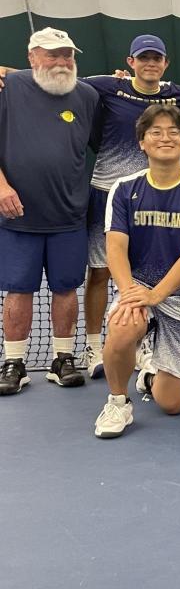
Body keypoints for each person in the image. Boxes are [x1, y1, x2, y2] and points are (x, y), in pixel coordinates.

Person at [93, 104, 180, 438]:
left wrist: (158, 294)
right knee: (123, 325)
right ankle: (118, 403)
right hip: (137, 286)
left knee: (172, 403)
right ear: (142, 142)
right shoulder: (123, 188)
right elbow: (116, 247)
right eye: (156, 132)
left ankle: (149, 371)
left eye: (174, 132)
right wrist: (129, 294)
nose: (165, 138)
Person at [80, 35, 180, 378]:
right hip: (105, 194)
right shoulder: (107, 86)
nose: (150, 64)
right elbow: (57, 76)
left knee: (146, 271)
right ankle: (93, 346)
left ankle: (143, 344)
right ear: (131, 63)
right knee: (99, 271)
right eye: (143, 58)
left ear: (165, 64)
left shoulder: (178, 95)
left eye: (156, 58)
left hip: (153, 198)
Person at [0, 27, 100, 395]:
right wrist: (1, 186)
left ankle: (63, 358)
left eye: (67, 55)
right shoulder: (9, 88)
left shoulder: (87, 95)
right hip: (17, 216)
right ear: (31, 58)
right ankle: (14, 363)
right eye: (51, 54)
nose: (60, 61)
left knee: (65, 289)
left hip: (69, 218)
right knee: (18, 290)